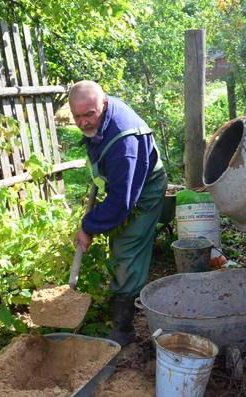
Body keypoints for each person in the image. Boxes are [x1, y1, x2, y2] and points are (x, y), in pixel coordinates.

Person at [70, 80, 167, 346]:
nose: (83, 122)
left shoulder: (124, 144)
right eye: (77, 116)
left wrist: (88, 226)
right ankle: (122, 302)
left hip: (145, 189)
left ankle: (124, 329)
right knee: (118, 242)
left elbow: (121, 203)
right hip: (125, 182)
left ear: (103, 103)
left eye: (89, 114)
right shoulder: (100, 115)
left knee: (126, 251)